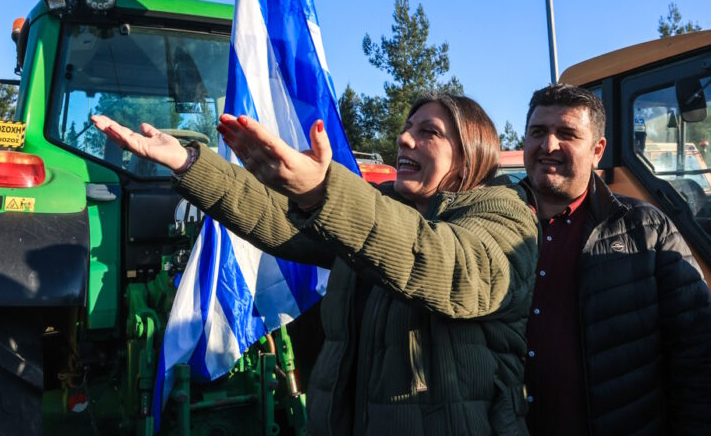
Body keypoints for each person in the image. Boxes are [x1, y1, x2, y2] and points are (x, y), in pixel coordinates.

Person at [93, 93, 539, 435]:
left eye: (429, 132)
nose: (405, 138)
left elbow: (453, 269)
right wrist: (189, 163)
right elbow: (276, 218)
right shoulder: (381, 205)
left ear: (470, 153)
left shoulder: (502, 213)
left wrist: (324, 191)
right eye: (406, 128)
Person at [521, 83, 711, 436]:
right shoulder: (487, 226)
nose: (548, 145)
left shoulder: (648, 230)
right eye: (538, 132)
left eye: (566, 133)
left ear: (597, 151)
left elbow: (696, 358)